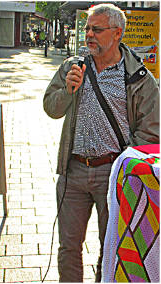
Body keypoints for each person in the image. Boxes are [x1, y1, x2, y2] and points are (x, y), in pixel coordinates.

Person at [43, 3, 159, 283]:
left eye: (97, 29)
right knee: (68, 248)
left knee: (112, 248)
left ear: (117, 33)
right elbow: (51, 107)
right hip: (74, 172)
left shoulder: (139, 78)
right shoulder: (73, 66)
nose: (89, 35)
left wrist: (126, 166)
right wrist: (69, 91)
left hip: (115, 175)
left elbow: (151, 133)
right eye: (87, 29)